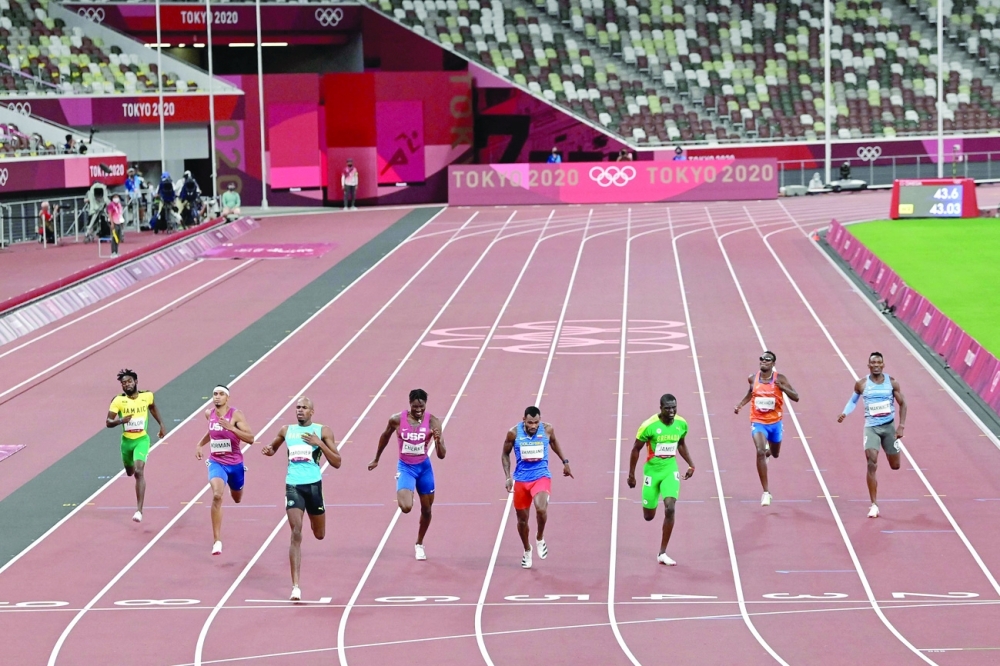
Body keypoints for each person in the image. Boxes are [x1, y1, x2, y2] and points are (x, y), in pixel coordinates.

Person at [261, 397, 339, 601]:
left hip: (314, 486)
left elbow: (337, 461)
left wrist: (318, 443)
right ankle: (295, 586)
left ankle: (317, 520)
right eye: (298, 407)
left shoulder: (323, 430)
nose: (300, 410)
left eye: (304, 407)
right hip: (293, 485)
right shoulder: (286, 430)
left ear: (312, 412)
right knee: (296, 531)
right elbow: (272, 448)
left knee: (319, 534)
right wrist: (268, 451)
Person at [368, 388, 445, 561]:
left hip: (424, 468)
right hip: (406, 467)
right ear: (409, 404)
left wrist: (438, 441)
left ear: (426, 405)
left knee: (426, 509)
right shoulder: (397, 419)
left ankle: (419, 543)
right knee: (406, 507)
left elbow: (441, 455)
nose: (418, 410)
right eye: (415, 407)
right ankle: (405, 485)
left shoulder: (433, 422)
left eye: (421, 407)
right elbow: (385, 437)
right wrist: (376, 458)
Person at [837, 352, 907, 518]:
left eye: (879, 363)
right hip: (871, 428)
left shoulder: (892, 383)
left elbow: (903, 403)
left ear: (883, 365)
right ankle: (874, 504)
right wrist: (845, 413)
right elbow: (853, 401)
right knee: (871, 461)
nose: (876, 365)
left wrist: (901, 426)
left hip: (889, 428)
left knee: (895, 465)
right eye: (873, 363)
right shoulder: (861, 384)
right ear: (868, 366)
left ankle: (893, 451)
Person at [501, 406, 573, 569]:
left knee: (541, 509)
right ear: (523, 420)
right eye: (530, 423)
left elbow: (553, 442)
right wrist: (507, 477)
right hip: (521, 479)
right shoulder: (513, 433)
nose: (533, 426)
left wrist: (565, 462)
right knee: (522, 520)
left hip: (541, 476)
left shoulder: (547, 429)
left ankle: (540, 537)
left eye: (536, 422)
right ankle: (527, 550)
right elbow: (504, 454)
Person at [628, 394, 695, 565]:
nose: (672, 411)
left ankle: (662, 553)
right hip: (652, 472)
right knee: (648, 516)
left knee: (670, 508)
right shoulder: (648, 426)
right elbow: (635, 449)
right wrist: (631, 475)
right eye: (668, 408)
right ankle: (652, 501)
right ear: (660, 408)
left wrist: (691, 464)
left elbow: (681, 444)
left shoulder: (681, 424)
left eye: (674, 407)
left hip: (670, 470)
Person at [733, 351, 800, 506]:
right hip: (758, 421)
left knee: (775, 454)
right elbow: (751, 393)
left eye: (767, 359)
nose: (763, 361)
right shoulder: (753, 378)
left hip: (775, 423)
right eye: (761, 359)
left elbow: (796, 397)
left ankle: (769, 451)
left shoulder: (780, 379)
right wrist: (740, 405)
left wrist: (783, 388)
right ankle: (766, 492)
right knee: (759, 450)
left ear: (773, 364)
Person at [195, 385, 254, 555]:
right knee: (217, 495)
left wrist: (232, 428)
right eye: (215, 394)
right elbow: (212, 432)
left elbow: (251, 438)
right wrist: (200, 444)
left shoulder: (236, 415)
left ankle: (239, 481)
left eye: (221, 394)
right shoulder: (209, 414)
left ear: (227, 398)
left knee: (237, 499)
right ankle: (217, 541)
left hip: (235, 464)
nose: (217, 397)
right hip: (216, 462)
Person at [106, 369, 167, 523]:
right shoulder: (118, 401)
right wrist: (121, 421)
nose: (126, 385)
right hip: (126, 442)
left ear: (136, 381)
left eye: (129, 381)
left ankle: (139, 510)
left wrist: (161, 424)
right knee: (130, 471)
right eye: (123, 383)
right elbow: (108, 422)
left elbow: (152, 407)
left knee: (139, 472)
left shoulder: (147, 396)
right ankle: (130, 466)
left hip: (142, 440)